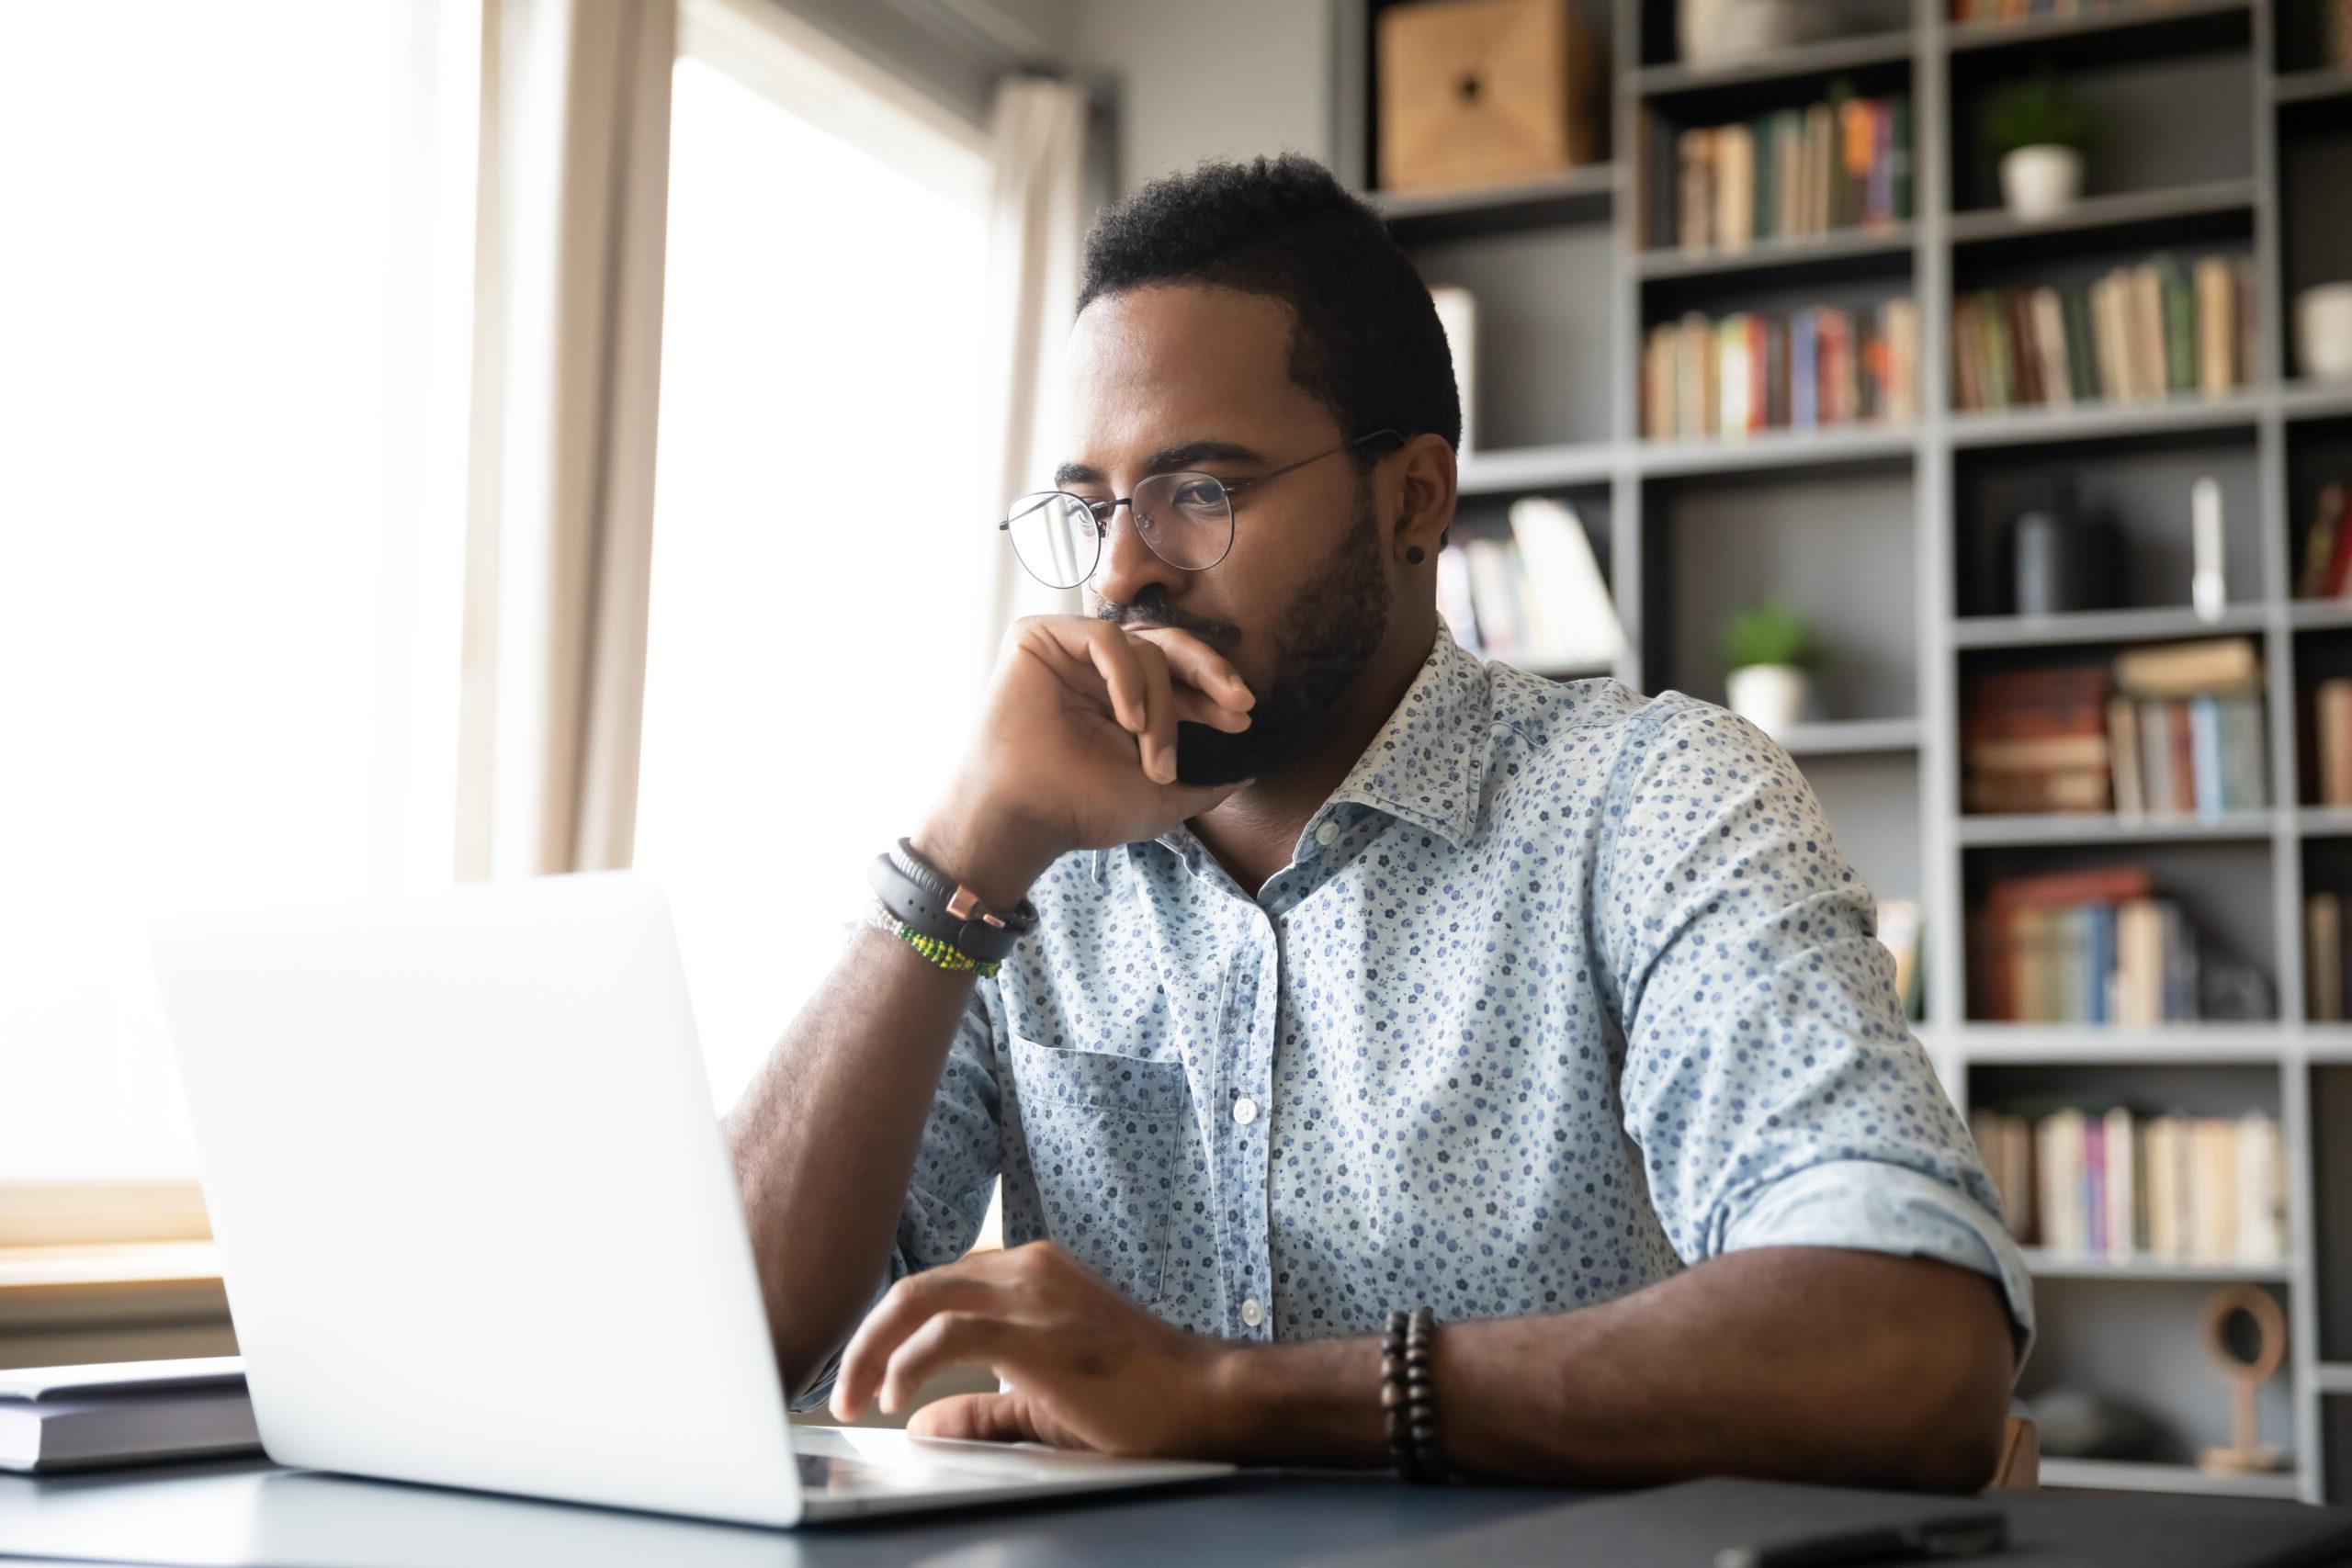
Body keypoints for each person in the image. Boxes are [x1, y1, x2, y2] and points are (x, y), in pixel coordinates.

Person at [725, 153, 2030, 1490]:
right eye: (1092, 507)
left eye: (1201, 493)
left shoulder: (1653, 801)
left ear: (1413, 499)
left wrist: (1229, 1397)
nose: (1118, 573)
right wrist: (956, 862)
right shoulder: (1029, 866)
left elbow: (1909, 1343)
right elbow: (717, 1349)